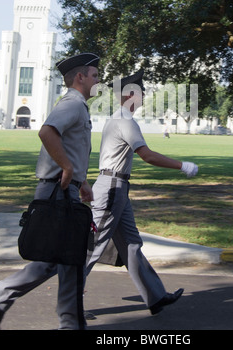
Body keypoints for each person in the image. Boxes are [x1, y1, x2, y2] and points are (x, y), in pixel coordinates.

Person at [0, 52, 100, 330]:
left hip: (63, 189)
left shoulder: (77, 106)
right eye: (95, 76)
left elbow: (70, 146)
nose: (98, 82)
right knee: (60, 259)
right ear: (80, 77)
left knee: (63, 261)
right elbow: (47, 132)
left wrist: (82, 180)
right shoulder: (72, 104)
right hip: (57, 192)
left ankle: (69, 323)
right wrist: (66, 169)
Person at [85, 69, 199, 315]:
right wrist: (182, 165)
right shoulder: (125, 121)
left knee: (132, 245)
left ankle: (155, 297)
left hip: (118, 188)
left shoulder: (120, 118)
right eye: (142, 92)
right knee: (92, 247)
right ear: (130, 95)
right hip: (112, 189)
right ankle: (69, 302)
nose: (145, 96)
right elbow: (146, 155)